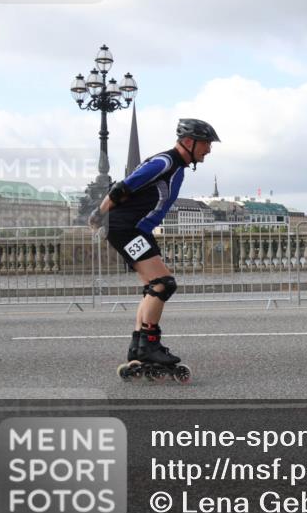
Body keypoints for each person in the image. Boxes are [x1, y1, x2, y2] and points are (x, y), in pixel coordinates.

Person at [89, 118, 220, 380]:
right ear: (188, 142)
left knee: (153, 285)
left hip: (136, 229)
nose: (208, 150)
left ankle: (138, 347)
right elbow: (123, 187)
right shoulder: (165, 162)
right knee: (164, 283)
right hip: (128, 228)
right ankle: (150, 345)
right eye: (205, 143)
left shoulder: (177, 167)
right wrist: (98, 213)